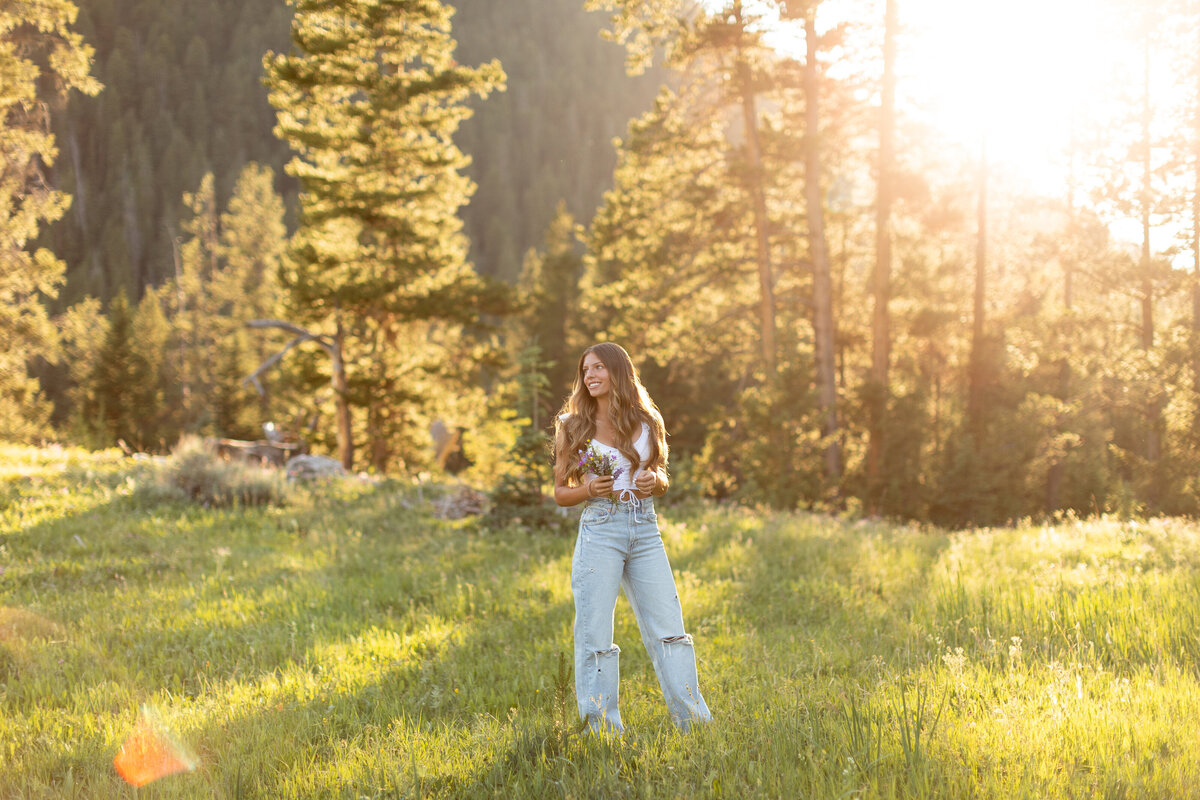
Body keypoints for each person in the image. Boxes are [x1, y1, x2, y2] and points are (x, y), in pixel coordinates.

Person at [553, 342, 711, 733]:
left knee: (671, 630)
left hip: (644, 528)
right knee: (595, 635)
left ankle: (694, 723)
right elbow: (559, 492)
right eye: (585, 369)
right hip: (600, 529)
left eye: (598, 368)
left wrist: (652, 480)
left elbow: (662, 478)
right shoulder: (572, 425)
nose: (589, 376)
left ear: (618, 372)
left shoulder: (648, 420)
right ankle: (602, 731)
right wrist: (590, 491)